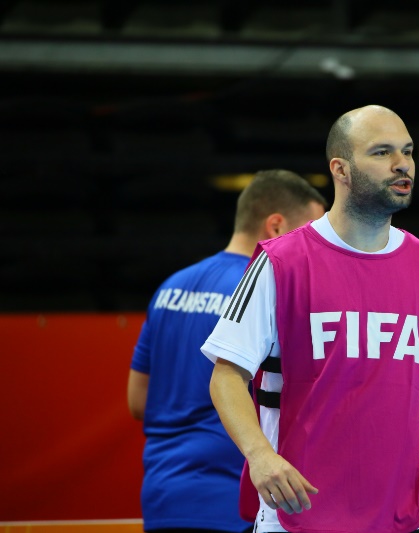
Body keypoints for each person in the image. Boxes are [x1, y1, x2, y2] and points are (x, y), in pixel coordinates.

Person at [201, 105, 419, 533]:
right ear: (341, 169)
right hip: (299, 512)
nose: (402, 164)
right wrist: (259, 455)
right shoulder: (280, 262)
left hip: (411, 514)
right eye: (382, 152)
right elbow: (226, 375)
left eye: (407, 151)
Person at [127, 169, 327, 533]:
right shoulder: (265, 293)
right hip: (234, 501)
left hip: (162, 498)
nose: (318, 248)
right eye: (311, 233)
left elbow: (138, 401)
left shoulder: (171, 287)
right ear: (276, 227)